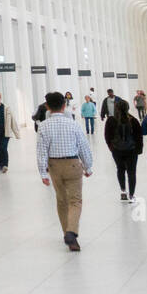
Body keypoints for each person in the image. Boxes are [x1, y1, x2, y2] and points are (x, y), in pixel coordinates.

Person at [36, 91, 94, 251]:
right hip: (73, 164)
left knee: (62, 201)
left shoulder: (43, 126)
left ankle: (67, 235)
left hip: (54, 166)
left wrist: (43, 172)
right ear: (64, 105)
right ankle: (71, 232)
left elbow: (41, 151)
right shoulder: (73, 124)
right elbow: (83, 147)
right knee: (75, 201)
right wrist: (88, 167)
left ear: (47, 106)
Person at [103, 98, 142, 202]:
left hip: (117, 150)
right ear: (127, 108)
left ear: (116, 108)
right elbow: (139, 136)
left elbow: (107, 136)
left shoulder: (111, 120)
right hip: (132, 150)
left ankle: (123, 192)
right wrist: (138, 150)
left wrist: (111, 147)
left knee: (120, 169)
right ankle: (132, 195)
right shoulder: (133, 120)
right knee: (131, 172)